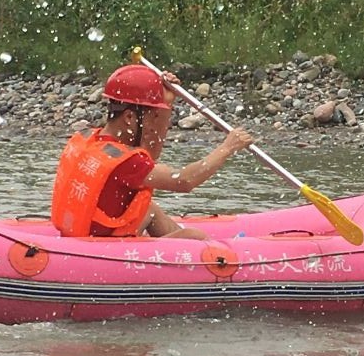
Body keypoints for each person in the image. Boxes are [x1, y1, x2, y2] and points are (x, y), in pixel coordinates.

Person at [51, 63, 254, 240]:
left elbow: (150, 155)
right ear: (130, 118)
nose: (153, 127)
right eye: (152, 118)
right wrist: (227, 148)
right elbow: (183, 181)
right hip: (101, 245)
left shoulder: (93, 138)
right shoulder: (126, 163)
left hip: (88, 233)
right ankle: (221, 258)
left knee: (148, 208)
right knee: (194, 236)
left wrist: (165, 103)